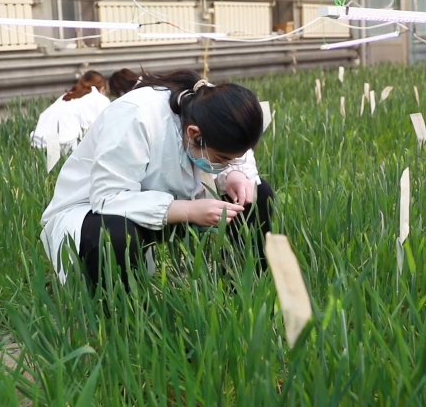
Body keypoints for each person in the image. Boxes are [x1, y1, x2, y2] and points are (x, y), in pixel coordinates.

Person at [40, 70, 273, 290]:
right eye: (222, 159)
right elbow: (108, 198)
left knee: (257, 193)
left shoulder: (212, 106)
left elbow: (238, 156)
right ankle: (123, 318)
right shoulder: (136, 115)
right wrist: (188, 211)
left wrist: (234, 174)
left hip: (172, 200)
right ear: (194, 133)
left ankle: (243, 286)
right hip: (94, 209)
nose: (226, 163)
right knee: (116, 234)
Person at [30, 70, 111, 151]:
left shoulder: (66, 96)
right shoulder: (100, 99)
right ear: (102, 89)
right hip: (65, 147)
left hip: (39, 143)